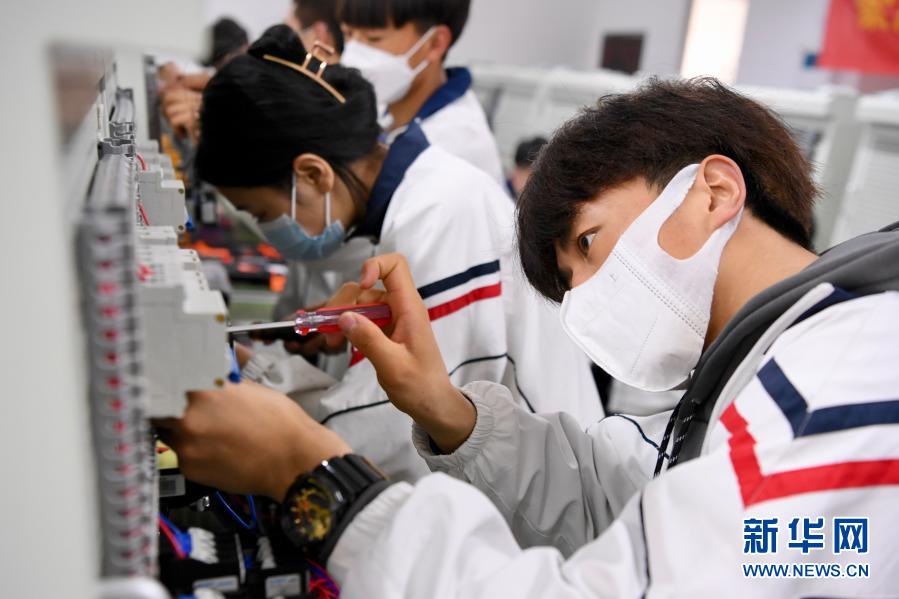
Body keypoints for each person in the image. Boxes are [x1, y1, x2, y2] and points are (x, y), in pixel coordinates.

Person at [163, 77, 899, 596]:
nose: (588, 298)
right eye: (570, 284)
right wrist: (447, 410)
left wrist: (323, 485)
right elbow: (626, 496)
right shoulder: (764, 375)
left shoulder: (835, 386)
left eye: (588, 241)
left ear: (714, 191)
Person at [194, 26, 602, 480]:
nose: (269, 233)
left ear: (313, 174)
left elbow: (383, 441)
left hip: (547, 492)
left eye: (263, 213)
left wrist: (245, 370)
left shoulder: (440, 214)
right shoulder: (406, 200)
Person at [339, 0, 505, 184]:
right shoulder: (385, 107)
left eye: (374, 39)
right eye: (348, 34)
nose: (354, 54)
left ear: (435, 43)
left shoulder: (454, 149)